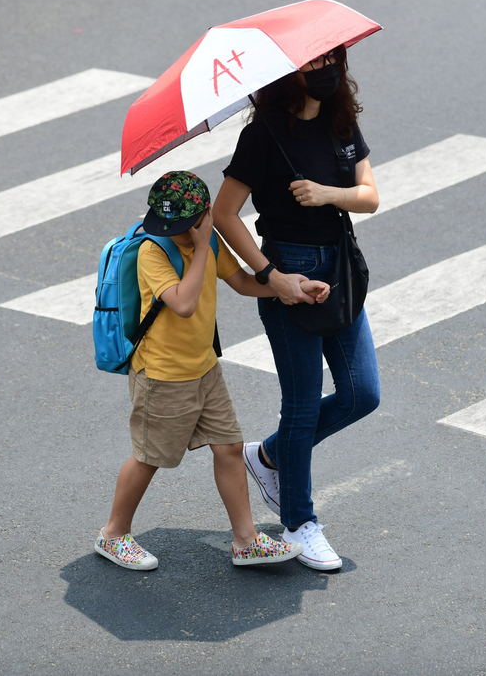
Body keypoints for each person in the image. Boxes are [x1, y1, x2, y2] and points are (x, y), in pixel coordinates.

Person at [95, 170, 330, 570]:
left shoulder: (207, 242)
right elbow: (183, 303)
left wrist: (288, 286)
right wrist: (201, 245)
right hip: (163, 377)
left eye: (186, 226)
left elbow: (240, 280)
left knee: (229, 448)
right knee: (150, 457)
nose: (178, 234)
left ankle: (246, 541)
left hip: (204, 368)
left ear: (204, 215)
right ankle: (113, 535)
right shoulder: (154, 251)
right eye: (172, 227)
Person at [214, 45, 381, 571]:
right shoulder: (263, 132)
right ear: (289, 74)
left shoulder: (340, 120)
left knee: (362, 394)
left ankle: (269, 456)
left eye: (333, 60)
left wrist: (327, 193)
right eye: (312, 64)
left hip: (340, 265)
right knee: (303, 404)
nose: (325, 70)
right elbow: (224, 214)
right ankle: (300, 523)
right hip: (290, 267)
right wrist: (271, 276)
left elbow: (370, 196)